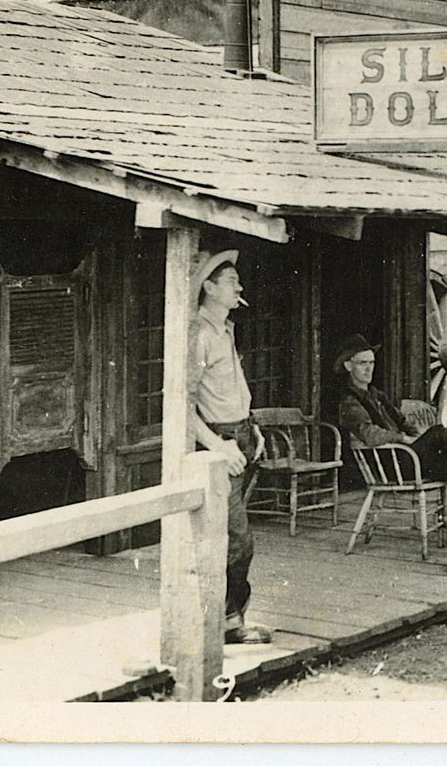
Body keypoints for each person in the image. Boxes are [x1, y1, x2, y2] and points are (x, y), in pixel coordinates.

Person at [332, 334, 447, 559]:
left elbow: (402, 421)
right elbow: (370, 435)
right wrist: (402, 439)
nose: (369, 369)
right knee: (439, 432)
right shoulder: (350, 402)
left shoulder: (376, 394)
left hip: (407, 459)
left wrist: (414, 434)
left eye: (371, 363)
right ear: (348, 366)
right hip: (389, 465)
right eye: (362, 363)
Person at [186, 248, 271, 645]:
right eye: (232, 281)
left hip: (242, 436)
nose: (240, 287)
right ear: (209, 287)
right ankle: (224, 624)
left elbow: (231, 390)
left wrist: (253, 428)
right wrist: (218, 446)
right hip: (220, 443)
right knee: (236, 539)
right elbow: (181, 405)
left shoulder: (225, 330)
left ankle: (231, 622)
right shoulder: (199, 335)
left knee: (234, 537)